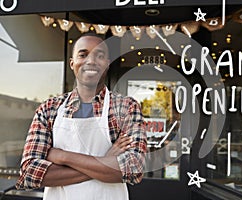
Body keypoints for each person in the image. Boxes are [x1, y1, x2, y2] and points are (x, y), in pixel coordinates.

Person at [16, 33, 147, 200]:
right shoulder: (49, 109)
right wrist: (105, 162)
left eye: (99, 56)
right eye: (83, 54)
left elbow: (133, 170)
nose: (91, 61)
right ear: (72, 63)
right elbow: (30, 174)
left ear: (107, 65)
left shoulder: (126, 108)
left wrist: (64, 156)